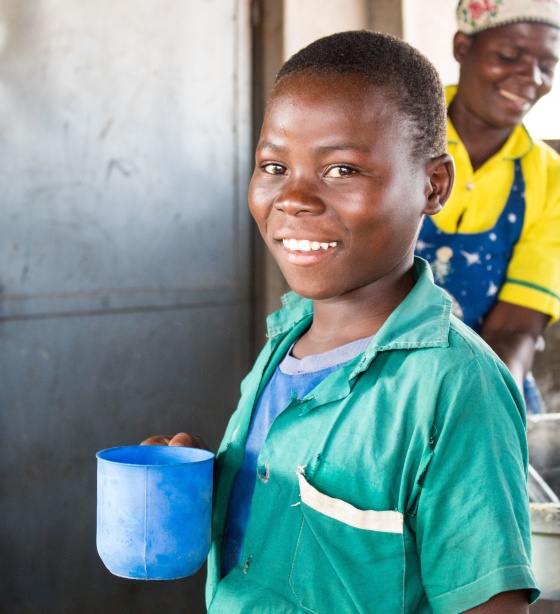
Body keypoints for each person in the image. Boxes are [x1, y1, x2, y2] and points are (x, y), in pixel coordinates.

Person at [143, 31, 539, 612]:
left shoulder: (455, 388)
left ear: (433, 185)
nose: (295, 197)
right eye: (274, 165)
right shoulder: (290, 336)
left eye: (342, 170)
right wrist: (208, 481)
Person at [415, 0, 560, 413]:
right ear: (463, 48)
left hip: (489, 379)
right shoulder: (395, 131)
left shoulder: (549, 178)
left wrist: (487, 408)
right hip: (368, 376)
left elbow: (517, 327)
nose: (529, 77)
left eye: (547, 65)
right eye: (510, 54)